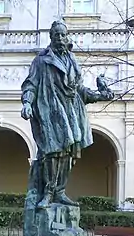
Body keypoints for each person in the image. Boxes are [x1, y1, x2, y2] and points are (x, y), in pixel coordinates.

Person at [21, 20, 114, 209]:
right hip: (51, 111)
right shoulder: (41, 60)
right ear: (51, 37)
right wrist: (27, 103)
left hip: (71, 113)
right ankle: (48, 193)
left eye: (63, 34)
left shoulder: (72, 59)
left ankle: (60, 191)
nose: (60, 38)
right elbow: (31, 84)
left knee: (68, 155)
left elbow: (80, 89)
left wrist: (99, 96)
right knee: (52, 153)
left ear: (67, 36)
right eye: (57, 35)